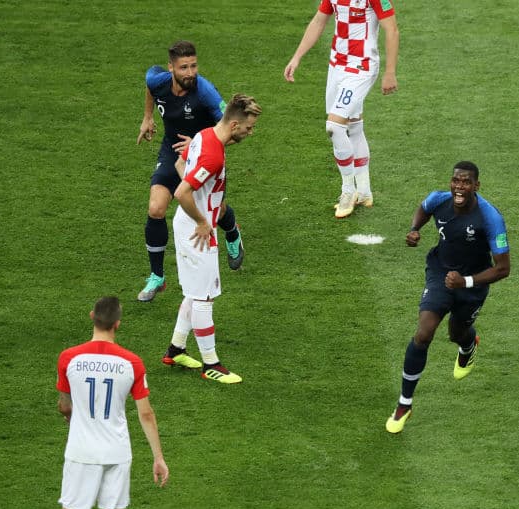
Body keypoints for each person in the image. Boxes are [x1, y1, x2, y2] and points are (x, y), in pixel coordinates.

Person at [57, 296, 169, 509]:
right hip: (117, 450)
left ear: (93, 317)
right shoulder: (131, 363)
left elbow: (65, 404)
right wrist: (158, 457)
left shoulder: (69, 358)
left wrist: (69, 416)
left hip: (81, 448)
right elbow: (146, 415)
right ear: (118, 323)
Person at [385, 161, 510, 433]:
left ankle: (468, 345)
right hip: (441, 273)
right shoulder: (439, 199)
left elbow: (503, 269)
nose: (459, 187)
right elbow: (424, 208)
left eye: (466, 182)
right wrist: (414, 228)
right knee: (424, 333)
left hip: (472, 284)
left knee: (457, 333)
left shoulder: (490, 218)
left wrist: (464, 281)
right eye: (456, 181)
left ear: (477, 186)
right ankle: (404, 403)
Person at [161, 94, 262, 384]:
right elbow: (181, 193)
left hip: (191, 225)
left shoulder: (204, 136)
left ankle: (176, 348)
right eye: (248, 128)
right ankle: (211, 364)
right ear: (233, 124)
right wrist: (203, 220)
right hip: (197, 230)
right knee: (204, 296)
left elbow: (181, 165)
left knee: (194, 292)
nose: (250, 133)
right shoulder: (212, 153)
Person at [136, 40, 246, 302]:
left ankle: (232, 234)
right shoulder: (157, 80)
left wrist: (198, 142)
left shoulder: (206, 92)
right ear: (171, 68)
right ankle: (157, 277)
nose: (190, 72)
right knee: (156, 208)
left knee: (216, 212)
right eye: (184, 67)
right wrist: (147, 117)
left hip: (205, 156)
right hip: (171, 151)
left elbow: (233, 127)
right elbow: (149, 87)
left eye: (194, 66)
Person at [283, 0, 399, 219]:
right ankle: (364, 191)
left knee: (334, 126)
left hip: (361, 67)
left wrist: (390, 72)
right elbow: (319, 21)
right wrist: (297, 57)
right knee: (353, 125)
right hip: (336, 66)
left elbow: (391, 29)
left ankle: (348, 191)